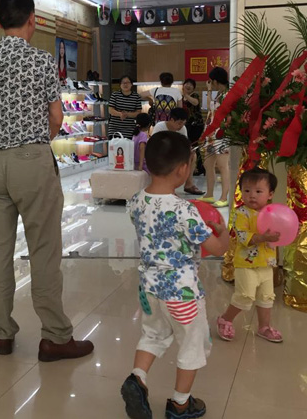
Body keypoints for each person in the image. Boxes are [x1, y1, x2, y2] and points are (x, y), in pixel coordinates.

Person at [0, 0, 93, 362]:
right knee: (44, 250)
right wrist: (36, 142)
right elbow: (56, 118)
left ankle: (2, 334)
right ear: (32, 18)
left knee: (0, 250)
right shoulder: (41, 61)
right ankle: (54, 335)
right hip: (31, 161)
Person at [121, 132, 229, 419]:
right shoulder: (185, 211)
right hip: (182, 293)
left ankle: (138, 378)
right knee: (192, 344)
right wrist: (224, 233)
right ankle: (181, 404)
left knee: (153, 335)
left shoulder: (135, 202)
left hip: (149, 289)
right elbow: (216, 248)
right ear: (183, 169)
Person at [216, 168, 282, 343]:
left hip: (266, 262)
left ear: (270, 194)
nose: (252, 195)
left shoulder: (273, 213)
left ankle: (264, 327)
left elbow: (281, 234)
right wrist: (263, 237)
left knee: (266, 296)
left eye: (258, 191)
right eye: (247, 190)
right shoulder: (241, 213)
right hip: (246, 263)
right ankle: (225, 319)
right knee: (245, 295)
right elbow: (243, 237)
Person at [152, 108, 203, 195]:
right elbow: (154, 146)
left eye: (183, 124)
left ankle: (189, 184)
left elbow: (185, 145)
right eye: (179, 123)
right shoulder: (160, 127)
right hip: (160, 155)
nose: (181, 126)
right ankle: (169, 188)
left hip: (175, 154)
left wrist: (189, 150)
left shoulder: (182, 129)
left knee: (192, 155)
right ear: (172, 120)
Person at [202, 66, 231, 208]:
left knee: (223, 166)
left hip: (221, 134)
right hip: (212, 134)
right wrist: (208, 90)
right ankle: (209, 194)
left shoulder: (227, 94)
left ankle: (224, 196)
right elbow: (210, 108)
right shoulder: (219, 94)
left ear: (214, 80)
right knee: (208, 164)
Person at [182, 78, 205, 175]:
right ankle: (199, 168)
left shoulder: (194, 95)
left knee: (194, 145)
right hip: (187, 124)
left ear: (194, 88)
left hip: (196, 124)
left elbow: (195, 103)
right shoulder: (182, 98)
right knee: (192, 146)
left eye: (191, 85)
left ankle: (199, 168)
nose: (188, 85)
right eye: (187, 83)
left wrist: (186, 95)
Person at [108, 75, 142, 139]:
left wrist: (127, 114)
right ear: (120, 85)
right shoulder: (115, 95)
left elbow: (138, 112)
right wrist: (120, 114)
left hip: (129, 129)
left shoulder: (136, 96)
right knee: (114, 148)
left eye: (127, 82)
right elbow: (110, 110)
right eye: (123, 82)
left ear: (131, 84)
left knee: (128, 148)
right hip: (114, 129)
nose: (125, 84)